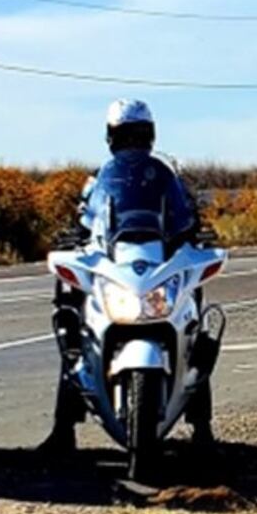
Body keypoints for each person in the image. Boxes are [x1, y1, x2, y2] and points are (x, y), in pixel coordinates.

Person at [37, 99, 210, 455]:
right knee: (74, 325)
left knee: (193, 323)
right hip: (115, 258)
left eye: (139, 133)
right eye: (125, 134)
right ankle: (62, 429)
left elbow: (184, 213)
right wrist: (74, 236)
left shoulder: (166, 177)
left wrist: (195, 232)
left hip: (159, 256)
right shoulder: (100, 180)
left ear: (149, 135)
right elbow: (86, 216)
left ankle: (203, 427)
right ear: (112, 137)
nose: (132, 141)